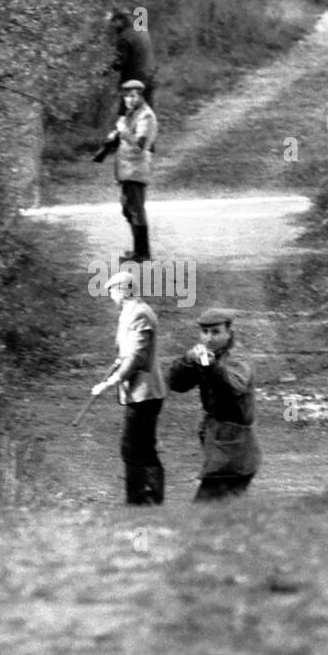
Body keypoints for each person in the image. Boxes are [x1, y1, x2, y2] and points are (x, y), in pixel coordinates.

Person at [165, 308, 261, 501]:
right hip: (219, 448)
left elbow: (232, 388)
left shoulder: (237, 358)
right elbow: (177, 384)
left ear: (229, 333)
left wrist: (211, 367)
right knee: (222, 515)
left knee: (204, 511)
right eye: (205, 332)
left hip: (235, 454)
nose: (209, 338)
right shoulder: (208, 355)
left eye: (216, 332)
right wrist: (187, 361)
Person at [92, 270, 166, 505]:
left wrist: (110, 382)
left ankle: (140, 501)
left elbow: (137, 358)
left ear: (123, 290)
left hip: (145, 394)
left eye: (112, 291)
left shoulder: (139, 314)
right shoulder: (129, 312)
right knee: (141, 448)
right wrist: (117, 362)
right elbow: (127, 352)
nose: (111, 297)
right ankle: (148, 499)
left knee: (134, 449)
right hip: (138, 393)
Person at [105, 79, 156, 262]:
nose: (129, 99)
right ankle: (138, 252)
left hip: (136, 170)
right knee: (128, 209)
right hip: (127, 170)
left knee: (136, 211)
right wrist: (116, 136)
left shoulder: (145, 116)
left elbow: (140, 143)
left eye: (133, 96)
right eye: (126, 96)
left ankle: (142, 254)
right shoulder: (131, 114)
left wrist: (123, 131)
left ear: (141, 96)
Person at [107, 9, 157, 111]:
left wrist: (105, 69)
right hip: (149, 77)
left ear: (120, 20)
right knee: (148, 112)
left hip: (134, 81)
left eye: (114, 21)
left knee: (127, 114)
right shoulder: (142, 30)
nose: (113, 25)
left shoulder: (125, 37)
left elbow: (119, 63)